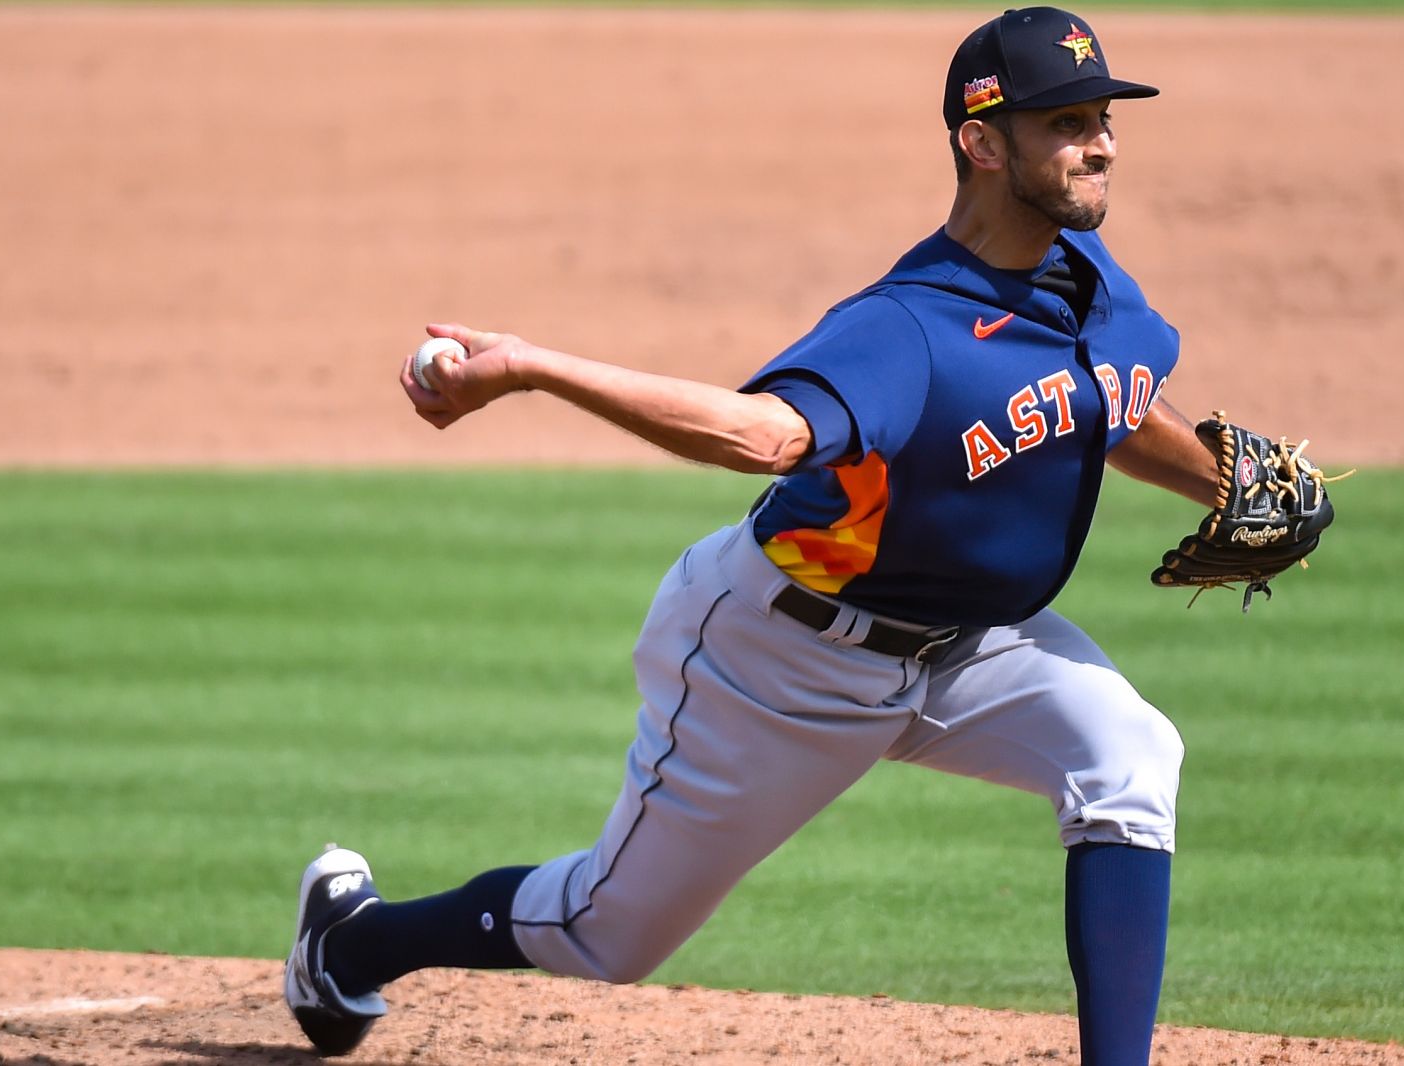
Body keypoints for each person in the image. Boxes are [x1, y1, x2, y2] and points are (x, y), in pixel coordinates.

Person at [284, 9, 1230, 1064]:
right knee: (607, 931)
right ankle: (351, 941)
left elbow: (1107, 405)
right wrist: (530, 368)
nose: (1099, 142)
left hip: (970, 648)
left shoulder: (1086, 281)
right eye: (1065, 122)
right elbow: (763, 434)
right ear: (980, 139)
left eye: (1101, 117)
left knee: (1129, 754)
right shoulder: (903, 329)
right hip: (784, 659)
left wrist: (1227, 484)